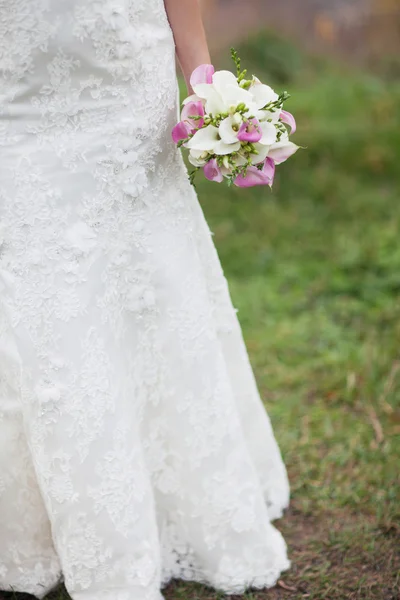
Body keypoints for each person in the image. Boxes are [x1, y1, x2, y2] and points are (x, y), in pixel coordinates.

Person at [0, 1, 290, 598]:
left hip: (122, 78)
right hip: (18, 86)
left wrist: (205, 82)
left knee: (149, 279)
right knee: (41, 293)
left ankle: (172, 505)